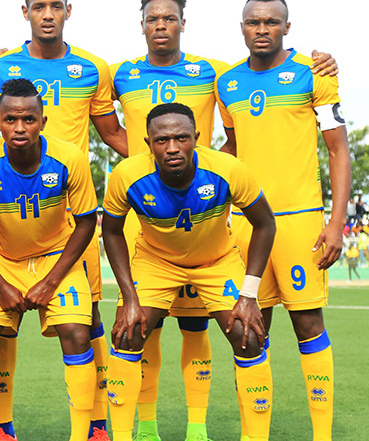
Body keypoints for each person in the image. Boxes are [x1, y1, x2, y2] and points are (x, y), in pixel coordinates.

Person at [0, 0, 127, 440]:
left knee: (90, 321)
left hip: (69, 212)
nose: (47, 13)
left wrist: (158, 161)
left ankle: (95, 423)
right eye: (38, 6)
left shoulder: (94, 67)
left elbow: (114, 133)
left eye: (55, 6)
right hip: (10, 216)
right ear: (26, 13)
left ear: (67, 11)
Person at [217, 0, 350, 441]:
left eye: (272, 22)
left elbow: (338, 150)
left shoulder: (314, 74)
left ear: (286, 28)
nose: (262, 29)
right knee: (248, 330)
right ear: (241, 27)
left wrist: (336, 221)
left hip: (300, 221)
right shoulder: (227, 84)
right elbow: (233, 149)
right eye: (253, 22)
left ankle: (322, 435)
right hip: (245, 223)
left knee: (308, 324)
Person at [101, 102, 277, 441]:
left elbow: (265, 223)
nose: (172, 148)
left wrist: (249, 294)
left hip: (216, 262)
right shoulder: (127, 175)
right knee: (127, 332)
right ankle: (127, 434)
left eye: (181, 138)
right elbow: (110, 231)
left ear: (196, 138)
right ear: (148, 143)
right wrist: (129, 297)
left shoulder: (227, 169)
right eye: (161, 140)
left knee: (249, 336)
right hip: (157, 262)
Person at [0, 79, 99, 441]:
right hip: (0, 259)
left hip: (56, 258)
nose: (19, 128)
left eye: (29, 119)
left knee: (77, 333)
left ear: (43, 121)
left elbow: (85, 223)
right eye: (10, 119)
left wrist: (51, 281)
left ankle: (81, 435)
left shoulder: (69, 158)